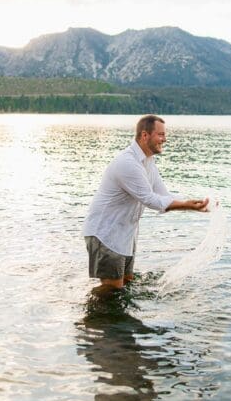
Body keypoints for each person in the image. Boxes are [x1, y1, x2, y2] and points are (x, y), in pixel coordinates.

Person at [83, 114, 209, 293]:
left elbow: (162, 194)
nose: (165, 139)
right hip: (106, 234)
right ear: (144, 136)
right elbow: (150, 199)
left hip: (125, 234)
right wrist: (187, 205)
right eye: (160, 135)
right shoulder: (128, 163)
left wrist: (192, 203)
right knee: (111, 290)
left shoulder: (148, 161)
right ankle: (94, 317)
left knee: (126, 282)